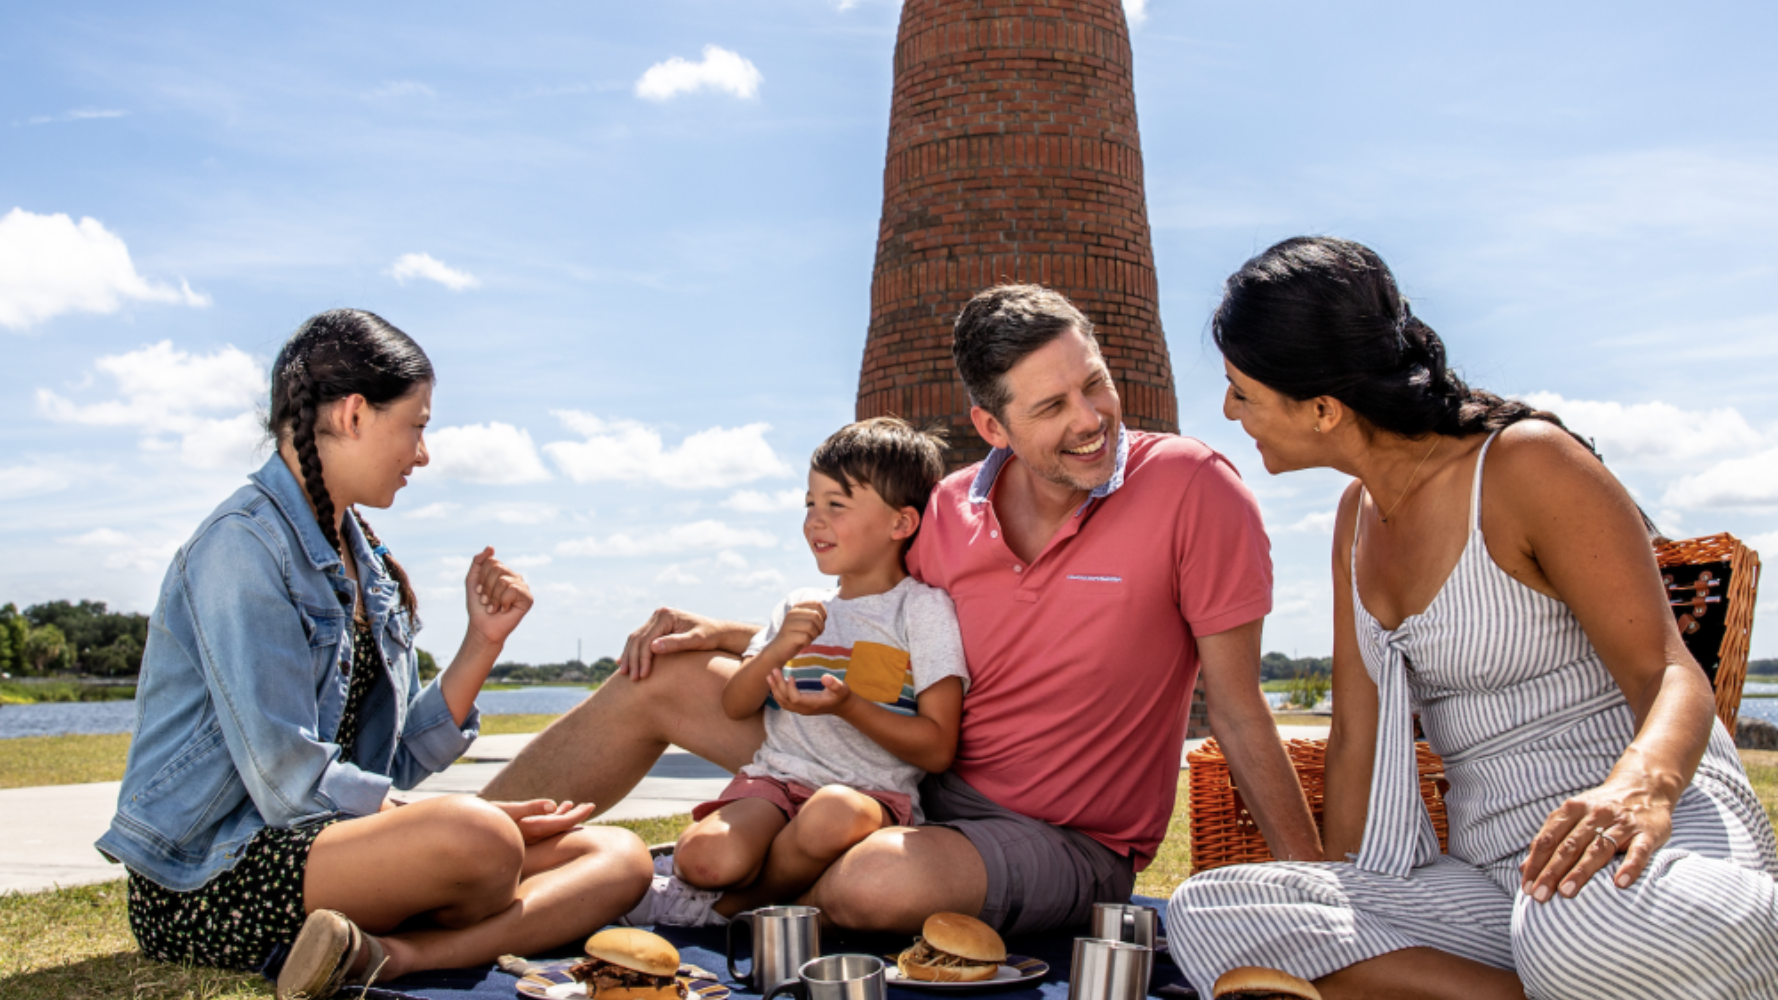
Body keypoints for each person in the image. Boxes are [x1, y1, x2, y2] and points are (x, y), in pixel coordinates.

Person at [486, 284, 1323, 935]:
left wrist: (1324, 899)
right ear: (990, 425)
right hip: (910, 773)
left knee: (875, 880)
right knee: (661, 675)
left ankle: (715, 897)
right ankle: (453, 859)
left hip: (1062, 838)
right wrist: (733, 633)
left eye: (1093, 385)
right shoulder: (951, 509)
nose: (1091, 421)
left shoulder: (1191, 488)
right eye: (1051, 407)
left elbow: (1241, 710)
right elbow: (872, 622)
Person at [1167, 237, 1778, 999]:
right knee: (1208, 913)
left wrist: (1638, 790)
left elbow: (1667, 671)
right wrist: (1344, 901)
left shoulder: (1527, 465)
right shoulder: (1355, 520)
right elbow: (1357, 739)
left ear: (1324, 409)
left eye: (1242, 392)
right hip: (1496, 884)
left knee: (1577, 923)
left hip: (1645, 847)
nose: (1228, 412)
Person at [96, 310, 652, 999]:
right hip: (211, 872)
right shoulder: (242, 547)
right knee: (480, 839)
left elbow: (390, 768)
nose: (423, 453)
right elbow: (286, 780)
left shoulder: (367, 562)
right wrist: (460, 825)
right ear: (354, 414)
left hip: (331, 848)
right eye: (417, 426)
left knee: (618, 856)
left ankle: (388, 955)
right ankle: (441, 900)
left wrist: (483, 642)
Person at [636, 418, 969, 926]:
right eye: (810, 504)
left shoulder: (921, 612)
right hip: (777, 783)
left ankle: (732, 909)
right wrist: (774, 651)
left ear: (901, 524)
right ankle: (737, 890)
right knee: (704, 858)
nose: (815, 520)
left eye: (837, 505)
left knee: (832, 812)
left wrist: (848, 706)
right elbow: (736, 704)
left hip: (869, 797)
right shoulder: (799, 605)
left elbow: (939, 747)